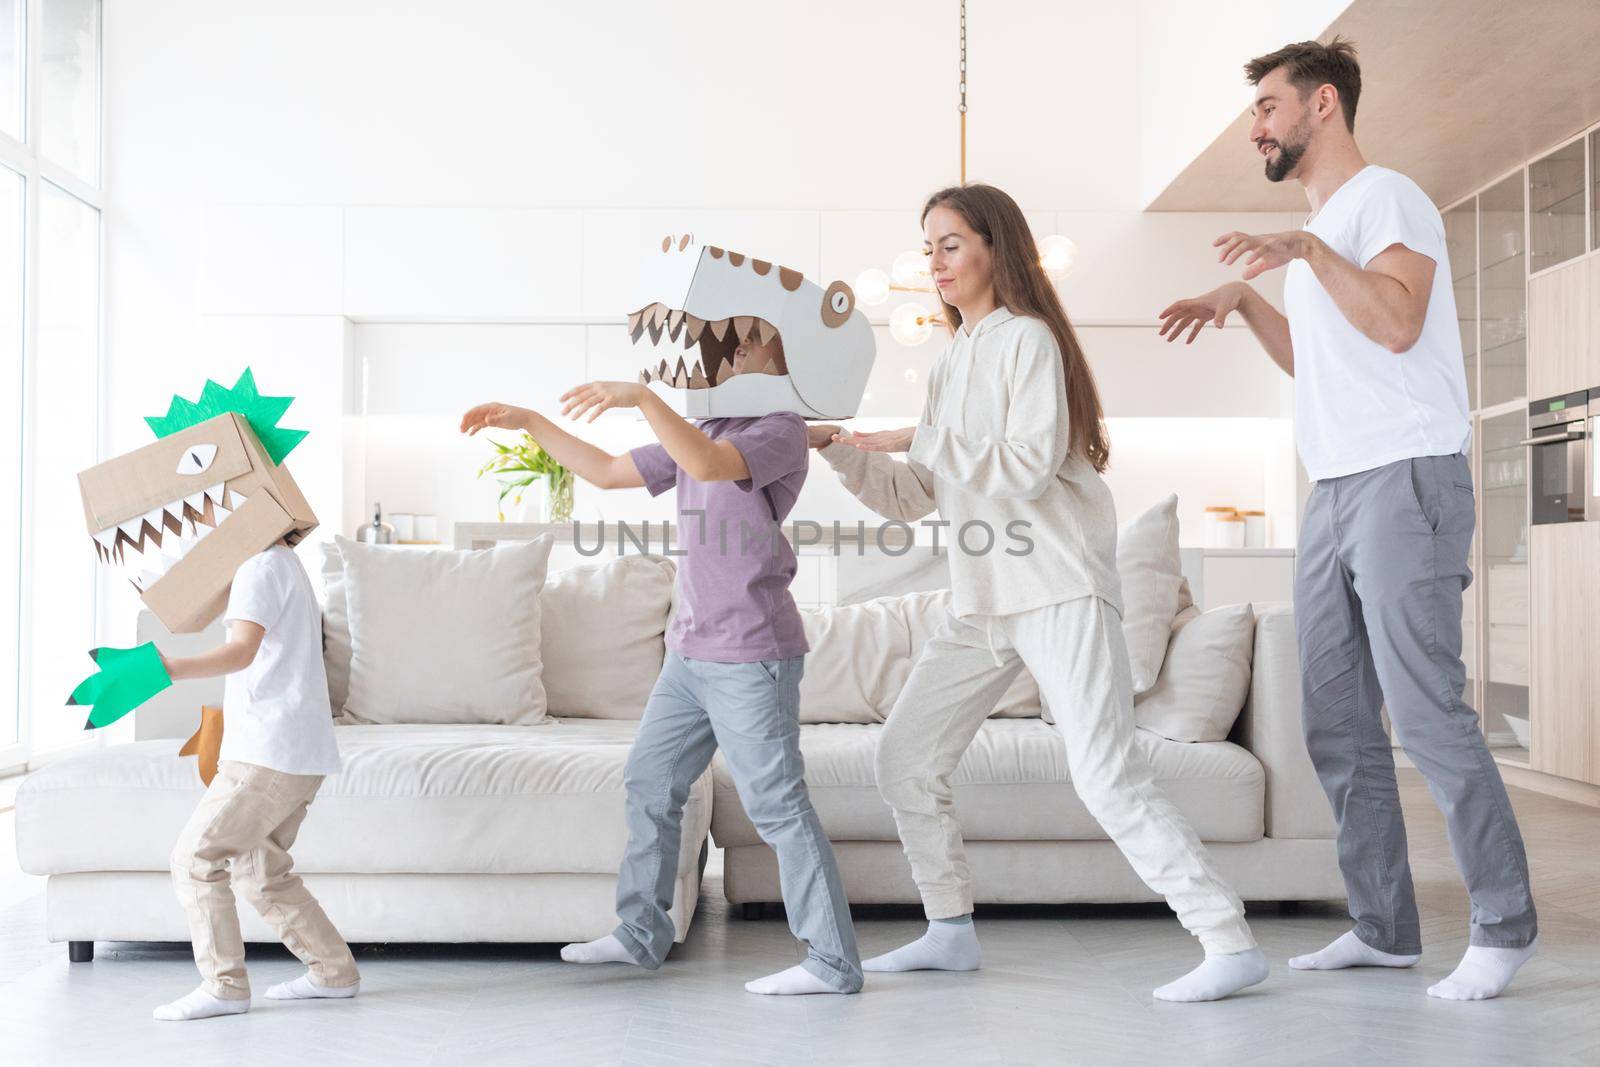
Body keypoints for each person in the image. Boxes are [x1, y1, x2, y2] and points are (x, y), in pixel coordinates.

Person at [814, 183, 1267, 1003]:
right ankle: (949, 930)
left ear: (996, 247)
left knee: (1106, 774)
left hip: (1056, 587)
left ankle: (1227, 939)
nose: (935, 262)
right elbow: (918, 492)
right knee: (905, 755)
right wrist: (842, 451)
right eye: (928, 247)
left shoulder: (1027, 342)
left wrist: (914, 434)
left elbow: (1023, 463)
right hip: (981, 599)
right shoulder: (953, 355)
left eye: (951, 243)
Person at [1158, 37, 1538, 1002]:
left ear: (1323, 105)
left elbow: (1398, 322)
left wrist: (1309, 249)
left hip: (1406, 476)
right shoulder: (1319, 234)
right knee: (1336, 722)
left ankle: (1504, 924)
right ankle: (1384, 927)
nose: (1259, 130)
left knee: (1424, 712)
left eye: (1269, 110)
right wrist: (1249, 295)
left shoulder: (1388, 200)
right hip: (1333, 487)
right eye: (1256, 116)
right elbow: (1326, 359)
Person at [460, 329, 863, 997]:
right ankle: (640, 933)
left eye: (742, 351)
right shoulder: (702, 426)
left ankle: (833, 962)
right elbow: (608, 469)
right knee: (650, 783)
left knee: (778, 806)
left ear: (773, 365)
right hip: (689, 654)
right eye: (723, 352)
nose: (725, 361)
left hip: (751, 652)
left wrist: (642, 396)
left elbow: (707, 463)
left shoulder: (779, 430)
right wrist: (530, 421)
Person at [155, 537, 358, 1021]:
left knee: (195, 858)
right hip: (299, 752)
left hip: (267, 753)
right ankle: (333, 972)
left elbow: (241, 651)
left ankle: (223, 984)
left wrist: (169, 668)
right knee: (261, 869)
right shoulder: (282, 563)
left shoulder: (257, 567)